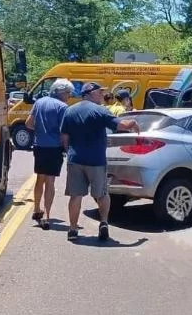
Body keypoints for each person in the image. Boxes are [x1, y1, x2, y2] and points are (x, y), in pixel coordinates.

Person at [60, 82, 140, 241]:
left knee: (75, 196)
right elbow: (122, 125)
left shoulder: (69, 111)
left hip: (75, 160)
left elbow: (64, 137)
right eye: (99, 92)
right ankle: (103, 222)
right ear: (89, 93)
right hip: (96, 161)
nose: (102, 95)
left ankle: (73, 229)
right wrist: (133, 123)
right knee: (102, 194)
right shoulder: (100, 111)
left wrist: (70, 152)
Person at [25, 78, 73, 230]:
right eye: (68, 93)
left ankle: (36, 209)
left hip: (39, 145)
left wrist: (40, 132)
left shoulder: (39, 102)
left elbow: (28, 123)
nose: (69, 96)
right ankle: (46, 215)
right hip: (54, 148)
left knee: (40, 178)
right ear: (61, 92)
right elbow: (64, 131)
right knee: (50, 181)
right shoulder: (63, 107)